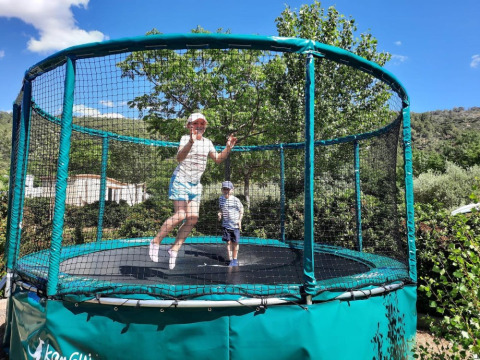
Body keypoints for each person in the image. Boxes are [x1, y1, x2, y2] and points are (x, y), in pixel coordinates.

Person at [149, 112, 237, 269]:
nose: (199, 126)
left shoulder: (208, 142)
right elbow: (179, 158)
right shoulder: (185, 139)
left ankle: (174, 249)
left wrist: (228, 148)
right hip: (181, 181)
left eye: (202, 124)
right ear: (189, 126)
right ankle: (155, 242)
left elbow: (218, 159)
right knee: (180, 215)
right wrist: (191, 141)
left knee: (193, 218)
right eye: (196, 123)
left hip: (195, 185)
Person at [217, 181, 244, 267]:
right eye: (224, 189)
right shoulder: (221, 199)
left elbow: (241, 210)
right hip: (226, 225)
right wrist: (219, 213)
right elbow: (220, 209)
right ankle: (231, 260)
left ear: (232, 190)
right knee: (228, 243)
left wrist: (239, 220)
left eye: (228, 189)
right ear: (222, 190)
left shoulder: (236, 200)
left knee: (235, 243)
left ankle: (235, 259)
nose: (226, 191)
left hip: (235, 226)